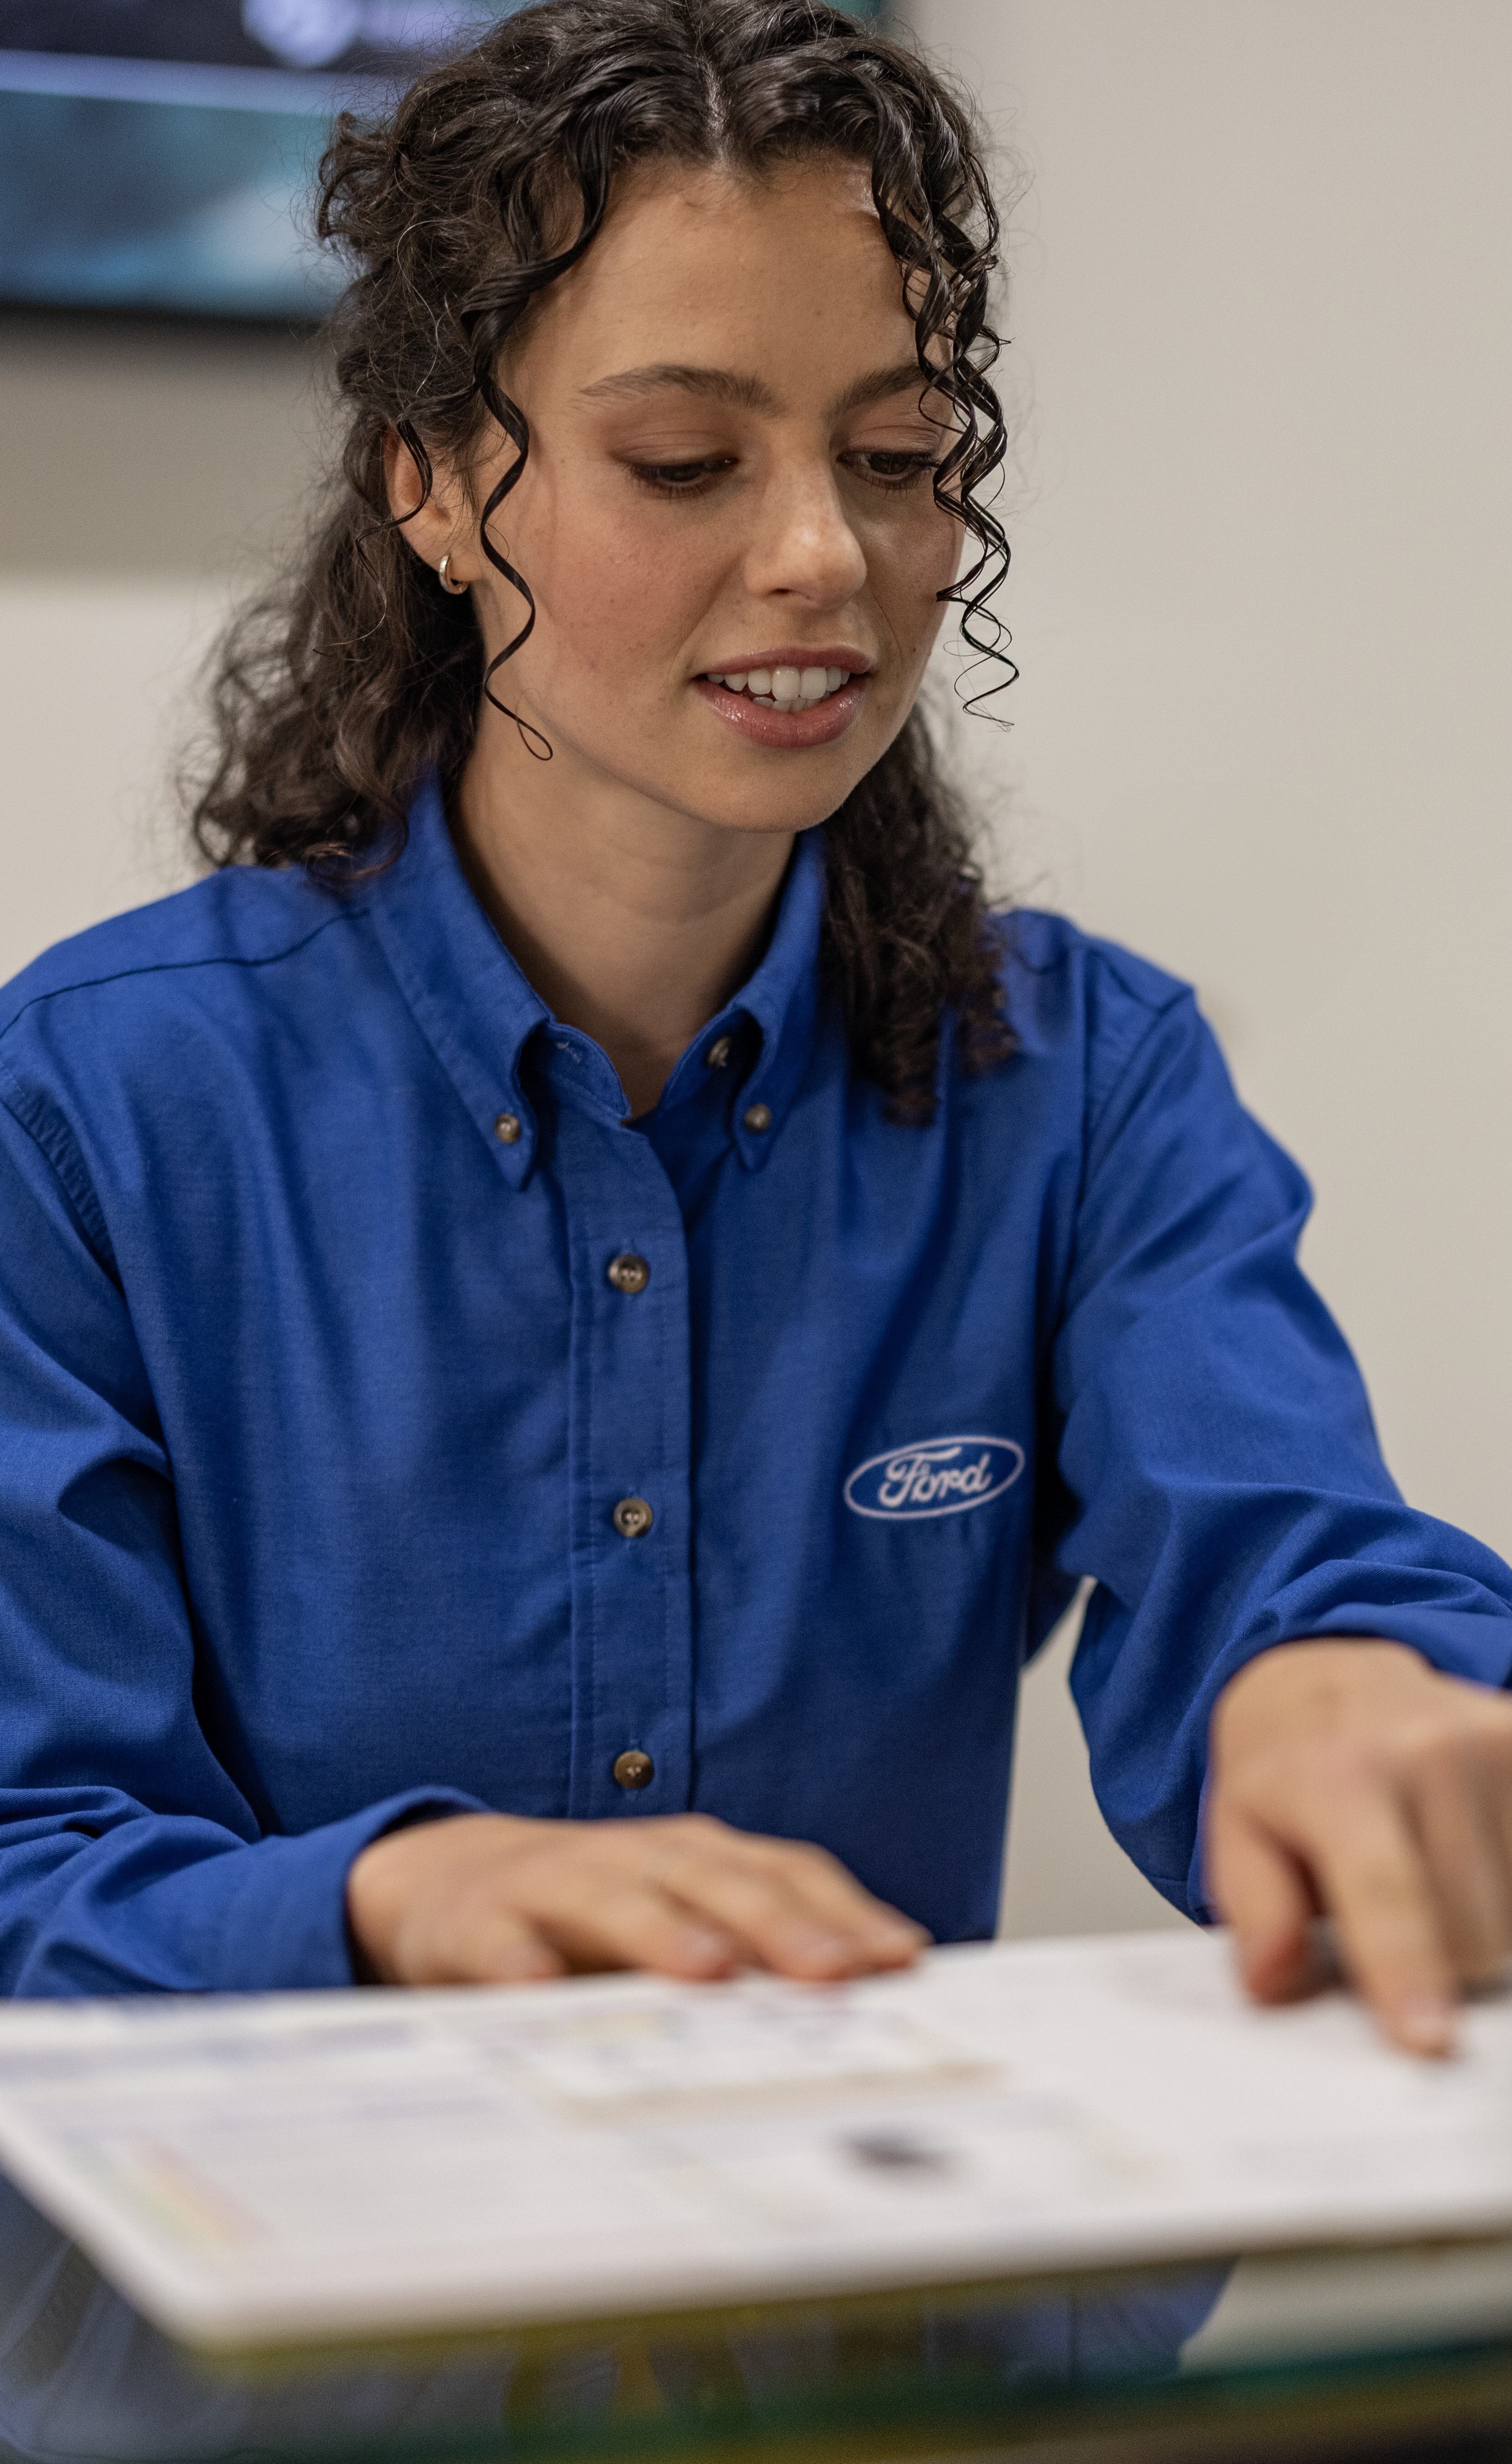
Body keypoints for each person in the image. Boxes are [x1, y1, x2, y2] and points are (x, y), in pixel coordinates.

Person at [1, 0, 1509, 2051]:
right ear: (440, 489)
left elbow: (1288, 1554)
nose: (824, 557)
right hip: (300, 2356)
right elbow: (27, 1858)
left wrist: (1338, 1689)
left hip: (885, 2342)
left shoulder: (1084, 1086)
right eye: (684, 461)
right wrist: (398, 1894)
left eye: (895, 458)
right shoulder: (91, 1111)